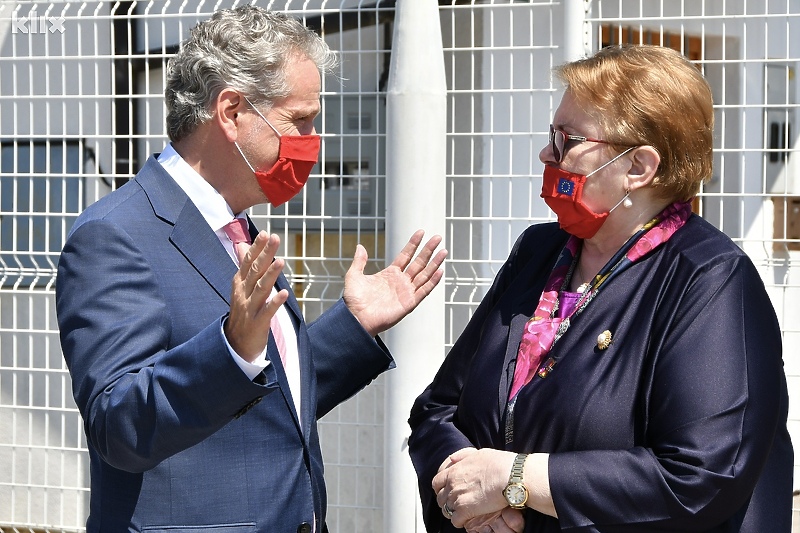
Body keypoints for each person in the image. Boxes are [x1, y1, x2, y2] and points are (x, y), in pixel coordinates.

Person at [56, 6, 447, 532]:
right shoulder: (115, 234)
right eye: (300, 120)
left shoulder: (238, 230)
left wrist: (353, 323)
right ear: (231, 112)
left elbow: (269, 400)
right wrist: (230, 347)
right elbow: (119, 426)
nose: (314, 141)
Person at [408, 44, 793, 533]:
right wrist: (468, 491)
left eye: (567, 139)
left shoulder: (710, 278)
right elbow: (438, 409)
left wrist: (516, 479)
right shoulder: (539, 252)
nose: (547, 153)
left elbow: (701, 474)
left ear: (639, 168)